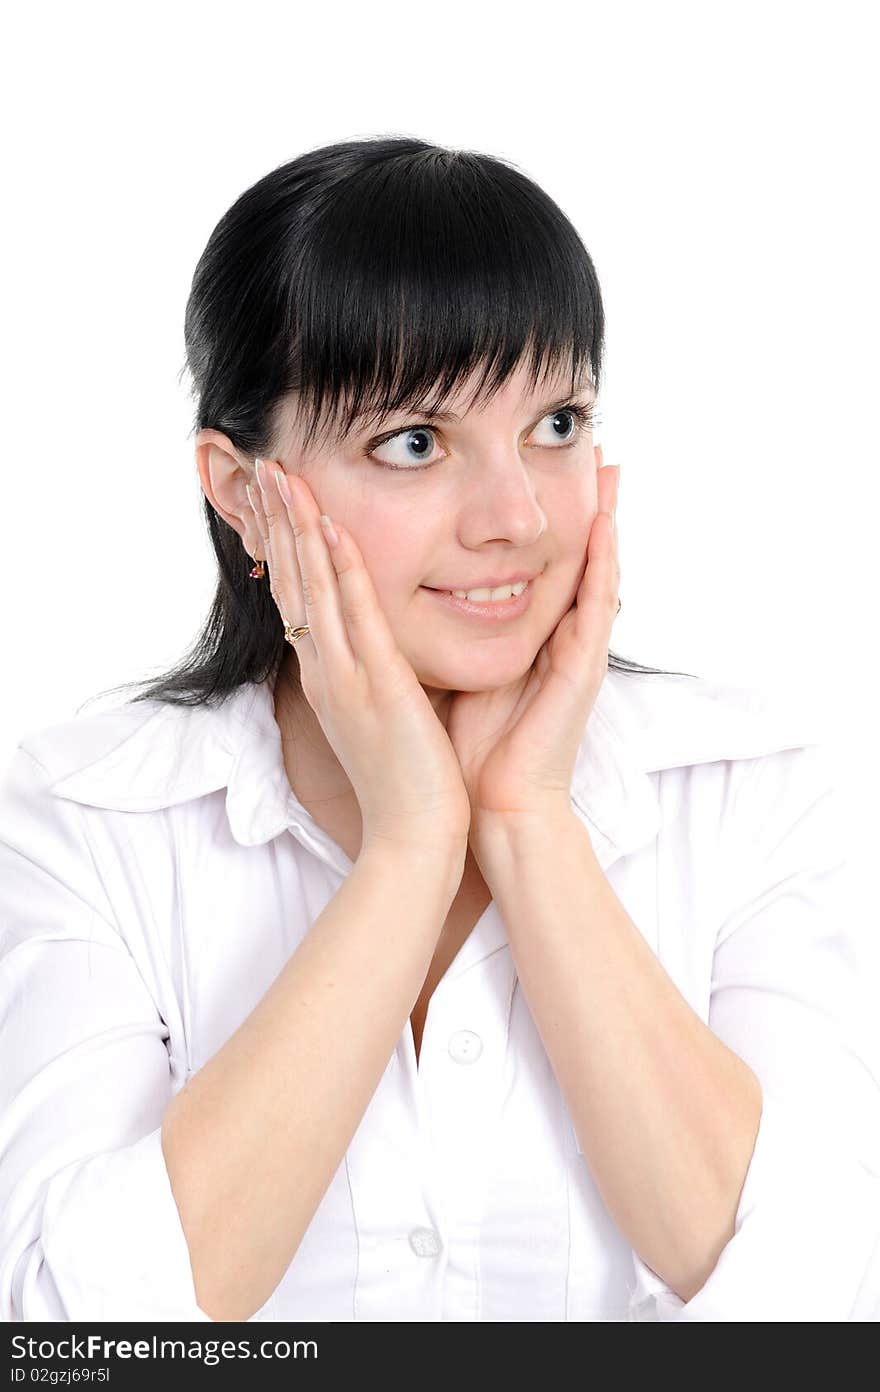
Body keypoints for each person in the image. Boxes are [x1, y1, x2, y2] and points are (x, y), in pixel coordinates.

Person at [1, 136, 878, 1324]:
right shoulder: (84, 819)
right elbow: (76, 1335)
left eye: (556, 423)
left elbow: (814, 1304)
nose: (516, 517)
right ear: (239, 486)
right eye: (413, 443)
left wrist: (527, 826)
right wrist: (412, 846)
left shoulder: (745, 791)